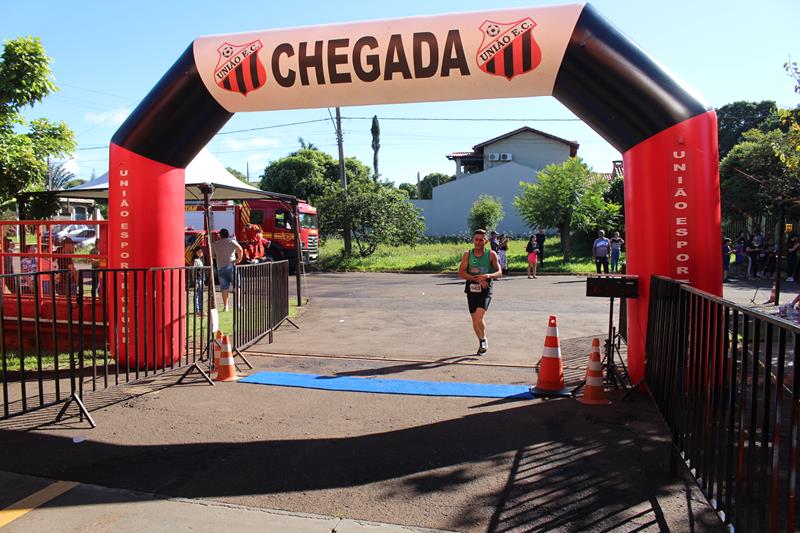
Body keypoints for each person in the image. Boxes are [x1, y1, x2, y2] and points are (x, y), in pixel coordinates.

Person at [458, 229, 502, 355]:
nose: (478, 242)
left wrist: (487, 276)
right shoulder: (467, 254)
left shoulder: (491, 254)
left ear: (486, 241)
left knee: (479, 317)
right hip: (471, 289)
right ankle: (481, 340)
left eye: (481, 239)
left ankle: (483, 341)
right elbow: (461, 273)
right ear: (473, 240)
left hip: (485, 289)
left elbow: (499, 273)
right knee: (475, 320)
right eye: (476, 239)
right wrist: (476, 279)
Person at [212, 228, 243, 312]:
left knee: (224, 287)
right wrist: (239, 259)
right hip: (231, 265)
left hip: (220, 267)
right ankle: (238, 305)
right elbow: (240, 249)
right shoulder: (231, 241)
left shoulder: (215, 244)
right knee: (236, 286)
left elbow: (214, 256)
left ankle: (226, 306)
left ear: (220, 235)